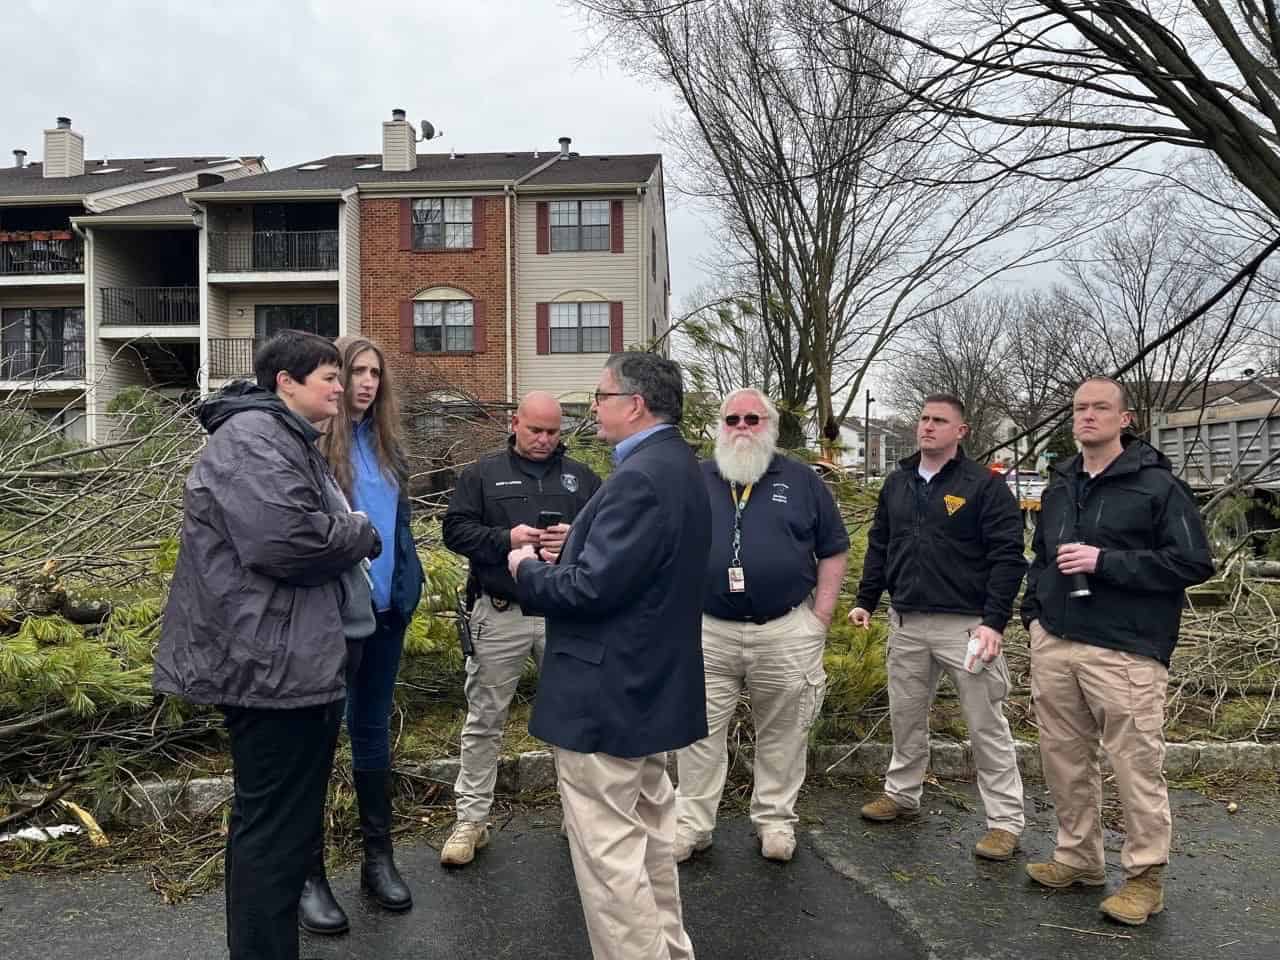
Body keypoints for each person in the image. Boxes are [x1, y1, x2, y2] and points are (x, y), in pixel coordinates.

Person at [154, 330, 380, 960]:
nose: (340, 388)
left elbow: (302, 528)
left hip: (291, 661)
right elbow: (283, 542)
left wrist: (338, 530)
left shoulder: (284, 439)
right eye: (328, 377)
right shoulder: (253, 440)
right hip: (269, 666)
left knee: (282, 823)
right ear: (285, 382)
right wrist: (359, 533)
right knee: (272, 828)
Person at [506, 353, 710, 960]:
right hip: (647, 690)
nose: (591, 407)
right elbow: (645, 572)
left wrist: (525, 571)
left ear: (635, 404)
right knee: (649, 840)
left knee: (609, 857)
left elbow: (591, 591)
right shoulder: (681, 468)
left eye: (600, 395)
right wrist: (584, 545)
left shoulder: (642, 477)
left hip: (606, 696)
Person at [1022, 377, 1213, 925]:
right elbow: (1040, 557)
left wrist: (1105, 562)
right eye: (1080, 408)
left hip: (1126, 649)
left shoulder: (1156, 487)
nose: (1087, 416)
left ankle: (1145, 877)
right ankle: (1078, 858)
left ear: (1125, 419)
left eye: (1100, 408)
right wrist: (1033, 616)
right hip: (1057, 641)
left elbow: (1192, 562)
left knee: (1134, 766)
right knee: (1063, 758)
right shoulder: (1060, 484)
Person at [850, 393, 1027, 861]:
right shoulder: (898, 482)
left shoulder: (984, 487)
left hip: (966, 628)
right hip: (906, 623)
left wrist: (994, 622)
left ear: (961, 431)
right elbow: (880, 545)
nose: (927, 427)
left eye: (939, 421)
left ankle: (1005, 822)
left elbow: (1008, 557)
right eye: (923, 419)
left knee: (985, 723)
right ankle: (902, 794)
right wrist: (866, 599)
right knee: (906, 716)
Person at [674, 388, 848, 864]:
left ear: (770, 425)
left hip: (786, 629)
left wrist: (821, 619)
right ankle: (691, 824)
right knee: (697, 733)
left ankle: (774, 821)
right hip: (708, 629)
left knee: (785, 732)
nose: (743, 427)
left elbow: (833, 549)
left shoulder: (802, 480)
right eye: (733, 419)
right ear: (720, 427)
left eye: (754, 418)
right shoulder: (696, 478)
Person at [291, 336, 424, 934]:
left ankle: (378, 860)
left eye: (376, 372)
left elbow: (399, 531)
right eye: (356, 371)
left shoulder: (385, 445)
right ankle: (309, 874)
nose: (367, 383)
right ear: (336, 378)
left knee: (371, 735)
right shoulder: (315, 447)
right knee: (317, 743)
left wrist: (409, 585)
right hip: (333, 622)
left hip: (386, 613)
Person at [439, 390, 601, 865]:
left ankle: (580, 820)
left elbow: (611, 537)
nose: (544, 439)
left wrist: (574, 539)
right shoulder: (483, 475)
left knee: (573, 718)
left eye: (553, 432)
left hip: (564, 616)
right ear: (515, 423)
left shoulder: (583, 479)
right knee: (485, 719)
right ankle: (470, 820)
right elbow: (455, 531)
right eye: (535, 430)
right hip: (501, 611)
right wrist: (505, 539)